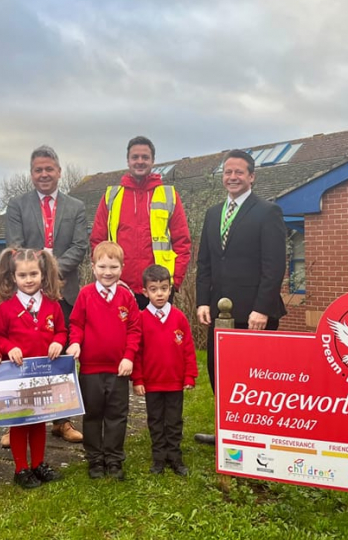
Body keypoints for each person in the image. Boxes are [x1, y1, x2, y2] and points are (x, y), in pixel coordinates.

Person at [194, 149, 287, 445]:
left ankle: (256, 435)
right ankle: (227, 430)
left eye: (238, 172)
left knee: (255, 376)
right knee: (219, 371)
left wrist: (261, 308)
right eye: (227, 172)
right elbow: (206, 263)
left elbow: (274, 266)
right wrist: (202, 301)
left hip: (255, 313)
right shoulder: (212, 214)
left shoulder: (267, 211)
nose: (232, 177)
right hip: (220, 313)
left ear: (251, 177)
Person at [6, 145, 86, 444]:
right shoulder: (17, 205)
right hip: (28, 290)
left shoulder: (76, 206)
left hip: (66, 291)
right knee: (25, 355)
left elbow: (80, 247)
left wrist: (52, 271)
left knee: (62, 354)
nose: (44, 174)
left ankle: (61, 420)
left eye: (49, 169)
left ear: (59, 172)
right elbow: (15, 246)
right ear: (31, 174)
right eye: (38, 169)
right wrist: (38, 276)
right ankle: (20, 421)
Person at [0, 248, 66, 489]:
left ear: (42, 275)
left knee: (40, 420)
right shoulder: (6, 309)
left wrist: (58, 341)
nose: (28, 279)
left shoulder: (53, 306)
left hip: (44, 375)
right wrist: (8, 347)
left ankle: (38, 463)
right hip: (18, 375)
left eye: (33, 274)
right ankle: (21, 468)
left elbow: (62, 331)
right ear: (14, 277)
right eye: (22, 275)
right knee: (20, 422)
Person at [66, 242, 141, 480]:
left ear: (122, 268)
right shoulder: (86, 294)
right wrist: (75, 342)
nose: (107, 272)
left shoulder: (127, 297)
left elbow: (134, 329)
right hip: (90, 370)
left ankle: (114, 459)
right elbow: (76, 323)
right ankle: (95, 459)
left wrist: (129, 357)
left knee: (117, 415)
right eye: (102, 266)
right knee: (92, 415)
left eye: (113, 267)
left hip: (118, 370)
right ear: (93, 267)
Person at [89, 136, 191, 309]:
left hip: (157, 289)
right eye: (135, 157)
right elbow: (97, 241)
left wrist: (173, 281)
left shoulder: (168, 195)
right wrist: (106, 278)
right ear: (128, 161)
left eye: (145, 157)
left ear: (153, 161)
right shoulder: (112, 196)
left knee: (156, 337)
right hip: (118, 287)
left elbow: (183, 243)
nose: (140, 161)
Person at [132, 264, 198, 476]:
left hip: (175, 382)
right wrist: (138, 379)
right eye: (153, 289)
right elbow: (137, 352)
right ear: (145, 291)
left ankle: (175, 457)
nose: (159, 294)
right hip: (152, 383)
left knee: (174, 420)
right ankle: (158, 458)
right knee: (155, 420)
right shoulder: (140, 319)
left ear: (170, 289)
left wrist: (189, 375)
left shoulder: (179, 317)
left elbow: (188, 348)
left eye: (163, 288)